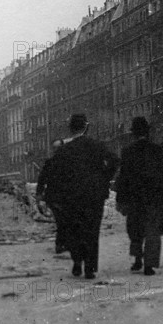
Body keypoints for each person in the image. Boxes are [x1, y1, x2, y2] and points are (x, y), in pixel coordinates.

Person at [48, 114, 119, 279]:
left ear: (71, 129)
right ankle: (89, 267)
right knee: (92, 231)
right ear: (86, 127)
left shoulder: (64, 150)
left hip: (71, 197)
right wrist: (104, 178)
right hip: (94, 195)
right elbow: (115, 160)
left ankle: (77, 262)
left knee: (74, 230)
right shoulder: (97, 146)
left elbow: (54, 174)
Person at [115, 117, 163, 276]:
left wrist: (121, 199)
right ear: (147, 132)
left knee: (135, 229)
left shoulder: (127, 151)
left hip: (134, 199)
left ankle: (137, 259)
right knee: (152, 230)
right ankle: (149, 265)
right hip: (154, 197)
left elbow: (123, 178)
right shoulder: (157, 150)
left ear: (133, 133)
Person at [36, 139, 67, 253]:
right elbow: (41, 179)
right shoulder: (50, 163)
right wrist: (39, 194)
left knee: (64, 221)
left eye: (59, 148)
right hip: (54, 197)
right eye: (55, 148)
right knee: (61, 221)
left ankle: (63, 243)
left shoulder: (70, 162)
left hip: (66, 196)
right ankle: (60, 244)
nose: (57, 150)